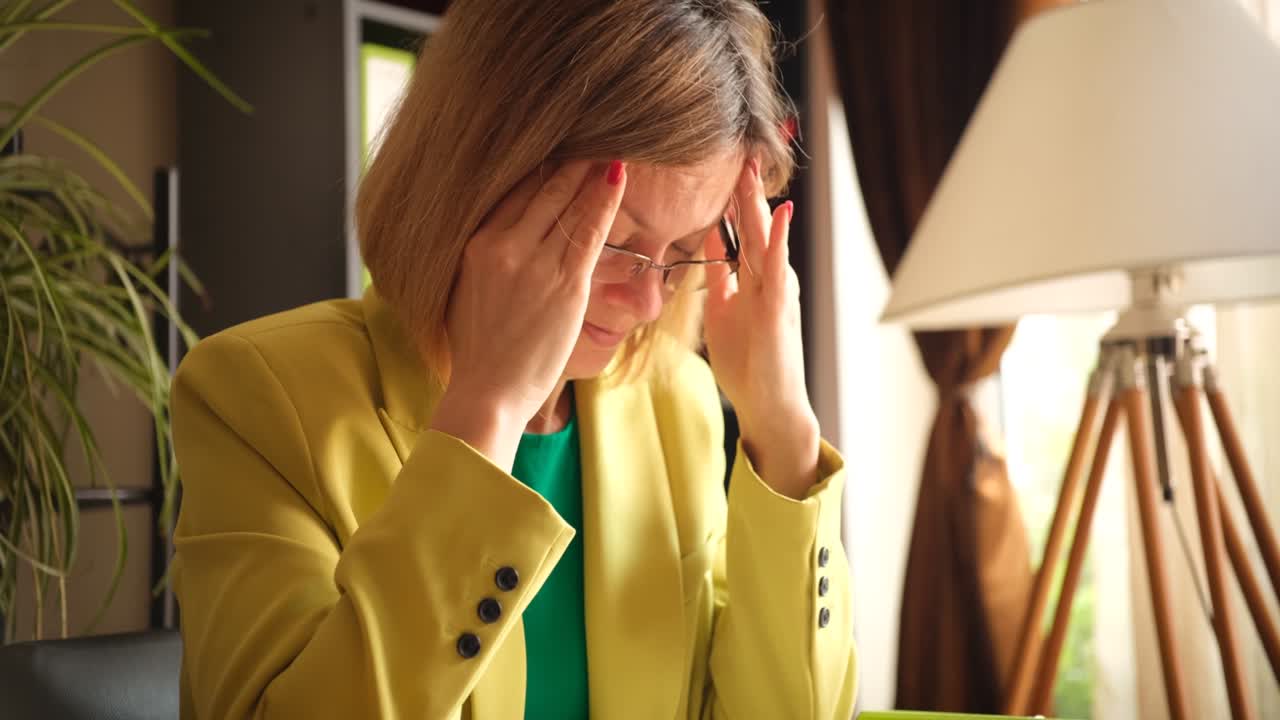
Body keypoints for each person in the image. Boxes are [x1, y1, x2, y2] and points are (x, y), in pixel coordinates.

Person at [169, 1, 856, 718]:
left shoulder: (674, 400)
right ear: (478, 177)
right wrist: (487, 409)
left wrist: (783, 433)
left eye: (683, 253)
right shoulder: (253, 397)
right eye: (614, 241)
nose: (650, 302)